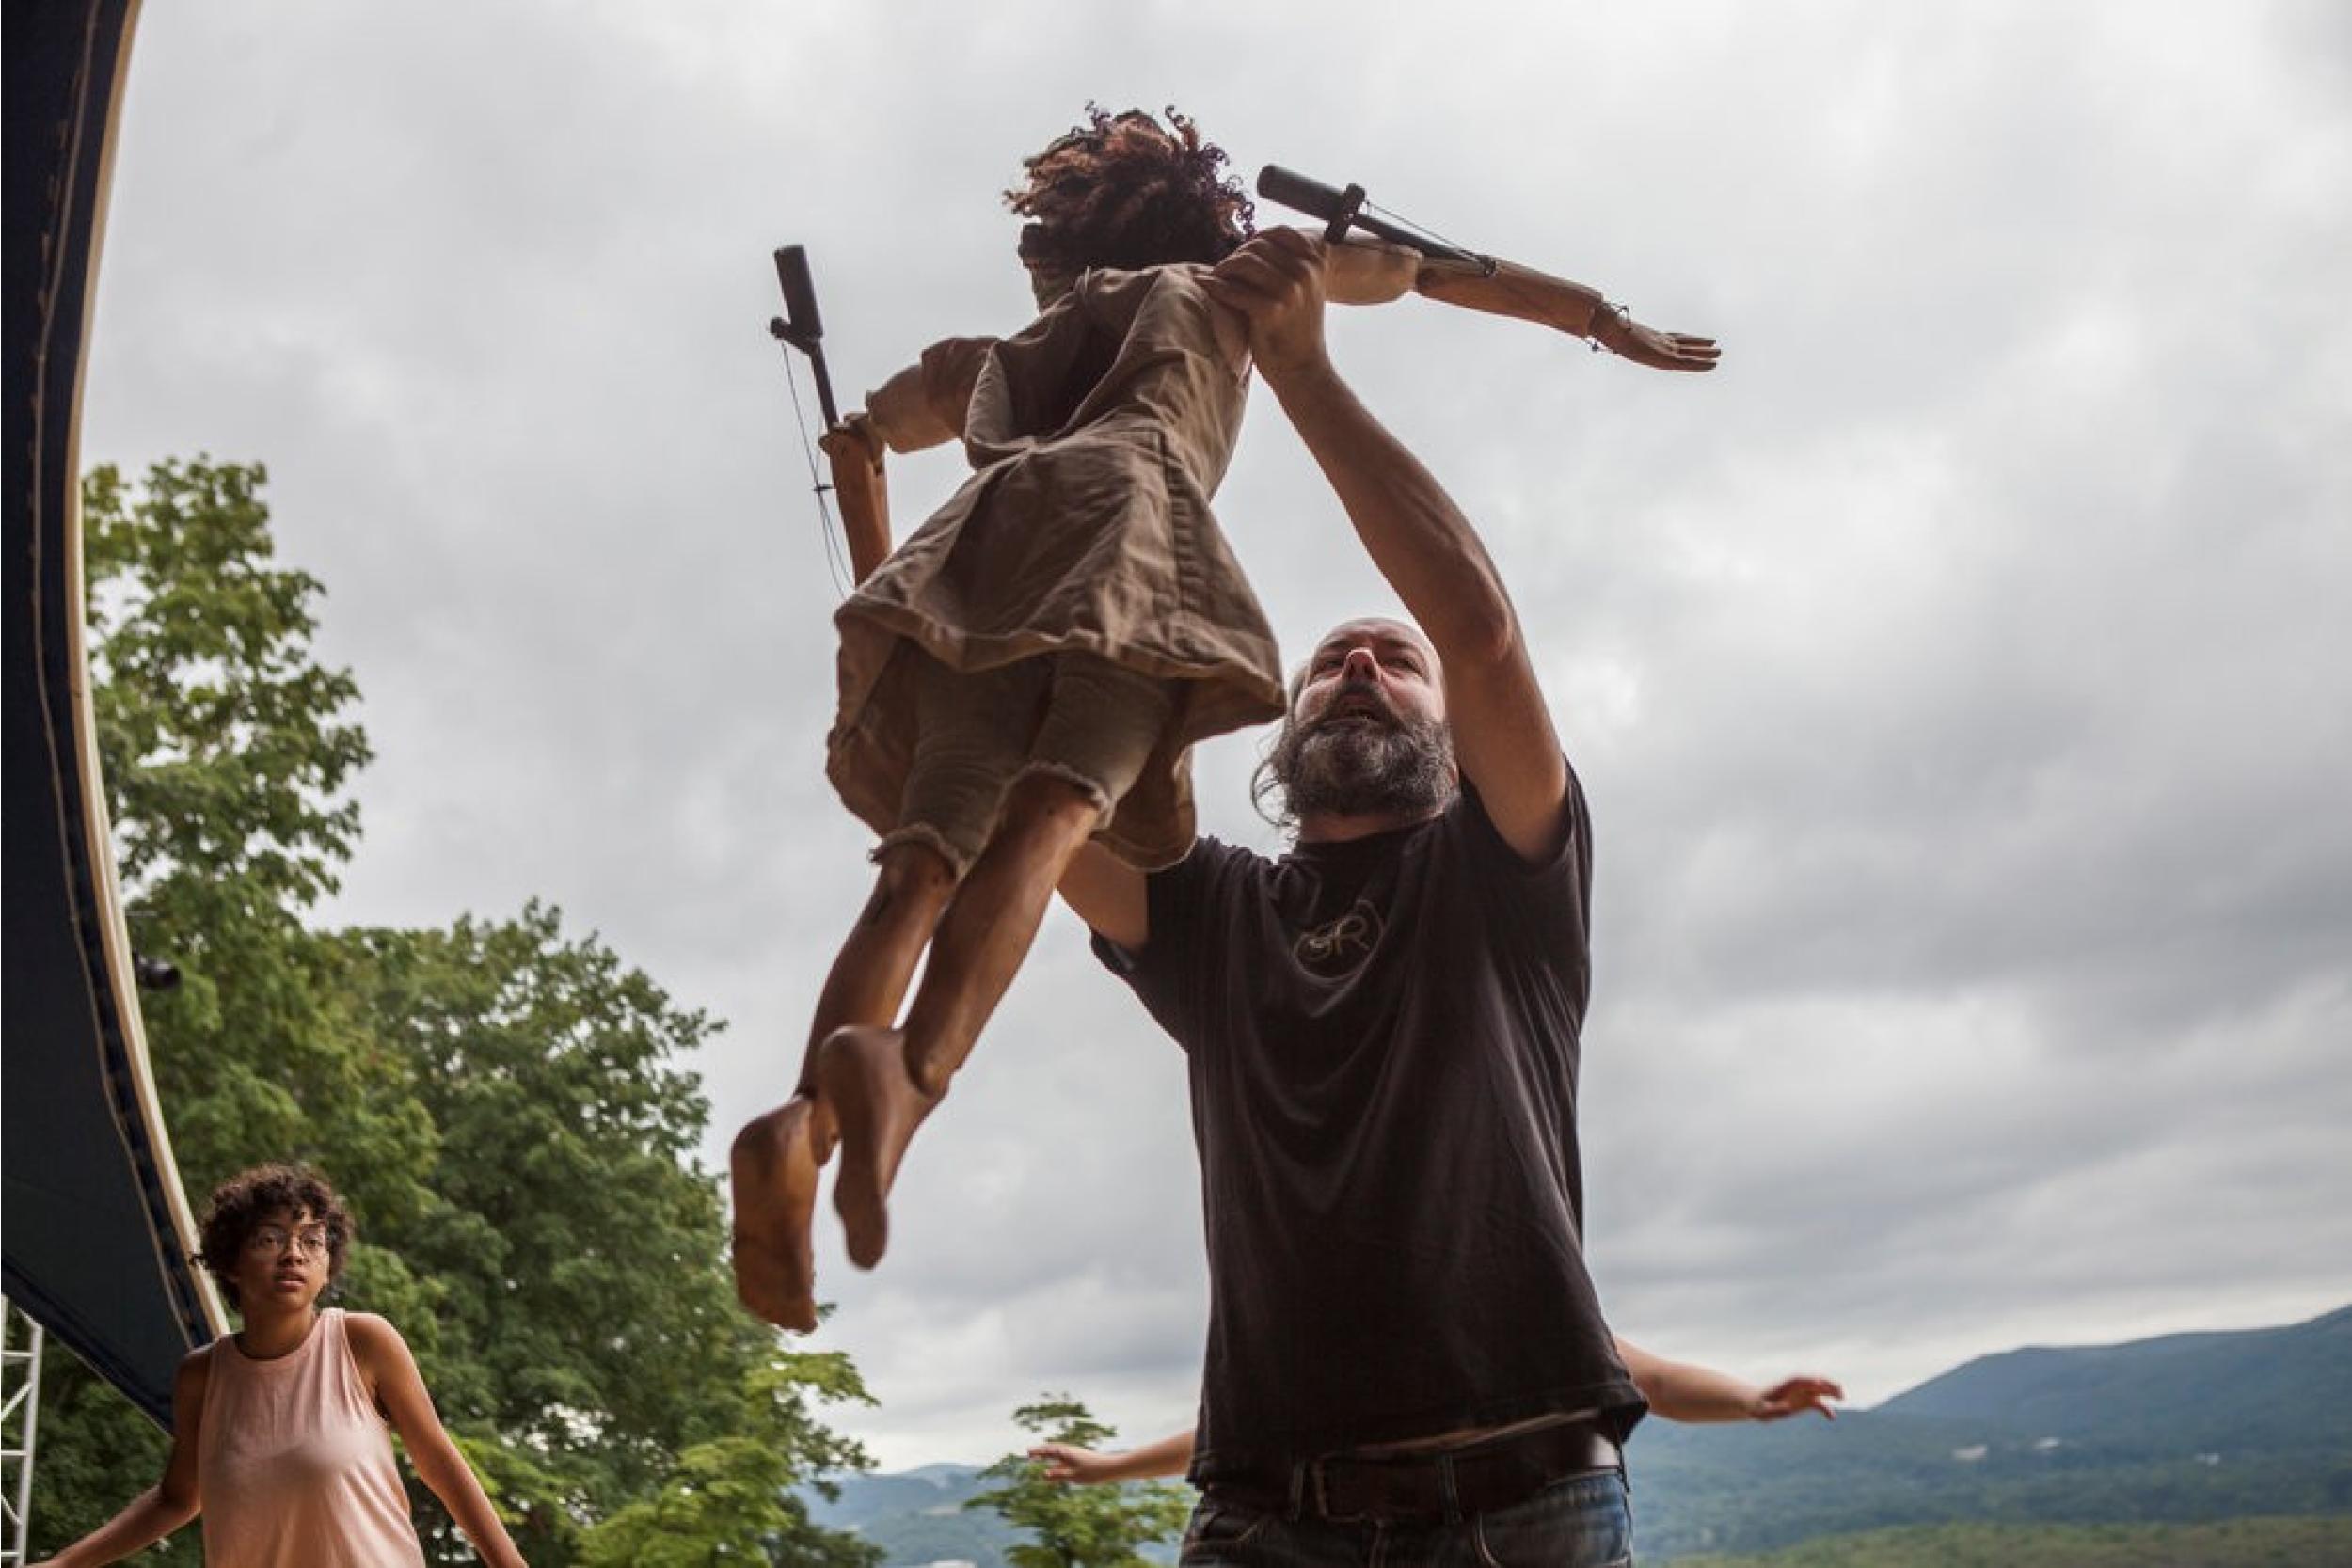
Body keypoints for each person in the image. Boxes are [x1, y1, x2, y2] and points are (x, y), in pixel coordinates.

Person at [729, 105, 1718, 1334]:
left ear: (1048, 252)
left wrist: (886, 570)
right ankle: (916, 1070)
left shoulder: (986, 356)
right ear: (1211, 222)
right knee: (1055, 813)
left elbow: (862, 434)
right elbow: (1426, 270)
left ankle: (802, 1123)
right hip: (1119, 533)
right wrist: (1593, 315)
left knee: (921, 862)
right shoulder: (1224, 285)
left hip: (972, 563)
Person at [1049, 226, 1720, 1564]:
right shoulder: (1207, 917)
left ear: (1458, 731)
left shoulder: (1509, 869)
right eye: (1328, 659)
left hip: (1527, 1505)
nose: (1360, 665)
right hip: (1261, 1521)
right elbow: (1019, 799)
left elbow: (1476, 625)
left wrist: (1300, 367)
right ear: (1278, 722)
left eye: (1391, 660)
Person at [36, 1164, 526, 1568]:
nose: (294, 1254)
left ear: (328, 1263)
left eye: (312, 1240)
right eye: (270, 1239)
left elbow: (438, 1462)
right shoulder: (201, 1377)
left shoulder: (363, 1341)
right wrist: (60, 1566)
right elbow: (178, 1499)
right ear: (230, 1261)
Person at [1027, 1339, 1841, 1486]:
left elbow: (1651, 1378)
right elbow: (1244, 1433)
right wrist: (1111, 1466)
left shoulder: (1522, 1288)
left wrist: (1752, 1400)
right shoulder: (1352, 1321)